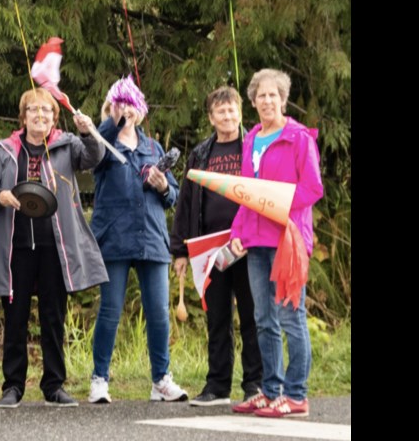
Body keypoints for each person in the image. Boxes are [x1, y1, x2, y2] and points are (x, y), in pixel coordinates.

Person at [0, 87, 108, 409]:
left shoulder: (67, 146)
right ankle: (12, 386)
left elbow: (96, 157)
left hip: (56, 248)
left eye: (46, 111)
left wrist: (88, 132)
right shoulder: (6, 150)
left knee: (53, 317)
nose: (40, 115)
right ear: (23, 117)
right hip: (16, 249)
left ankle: (54, 385)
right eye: (33, 110)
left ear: (54, 117)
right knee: (15, 318)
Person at [88, 75, 188, 404]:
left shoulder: (153, 147)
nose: (125, 109)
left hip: (152, 239)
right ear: (110, 107)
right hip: (114, 238)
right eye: (119, 103)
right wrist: (113, 124)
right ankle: (99, 379)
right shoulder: (102, 142)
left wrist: (161, 185)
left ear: (140, 109)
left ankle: (161, 380)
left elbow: (172, 195)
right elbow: (93, 152)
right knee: (111, 311)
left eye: (130, 103)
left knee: (158, 312)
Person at [229, 69, 323, 418]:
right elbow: (245, 194)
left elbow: (313, 189)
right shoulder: (251, 138)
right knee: (263, 319)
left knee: (290, 317)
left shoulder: (299, 138)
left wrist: (275, 201)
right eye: (261, 96)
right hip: (255, 242)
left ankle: (296, 395)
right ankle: (270, 391)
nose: (267, 101)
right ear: (252, 102)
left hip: (288, 241)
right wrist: (238, 233)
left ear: (283, 99)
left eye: (273, 95)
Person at [171, 86, 262, 407]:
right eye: (221, 111)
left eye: (232, 109)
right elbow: (184, 203)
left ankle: (255, 384)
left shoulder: (254, 147)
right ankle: (217, 385)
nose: (228, 115)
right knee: (218, 317)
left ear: (240, 112)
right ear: (211, 117)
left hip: (249, 245)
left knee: (253, 316)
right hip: (210, 249)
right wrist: (180, 250)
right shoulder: (200, 154)